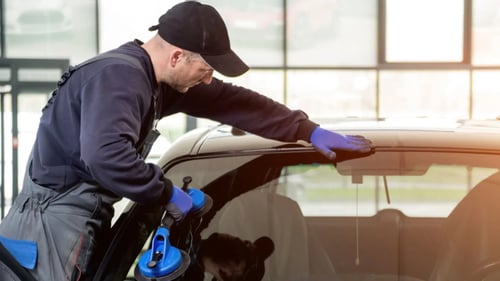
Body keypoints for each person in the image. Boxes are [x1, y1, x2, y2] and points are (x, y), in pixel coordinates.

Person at [0, 1, 373, 280]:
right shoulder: (120, 77)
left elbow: (230, 101)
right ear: (178, 56)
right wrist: (167, 195)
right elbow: (106, 157)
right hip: (47, 230)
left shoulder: (155, 82)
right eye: (206, 69)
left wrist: (305, 130)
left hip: (74, 223)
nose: (208, 79)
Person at [183, 232, 275, 281]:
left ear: (223, 274)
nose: (238, 241)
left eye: (237, 258)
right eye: (244, 243)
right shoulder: (192, 220)